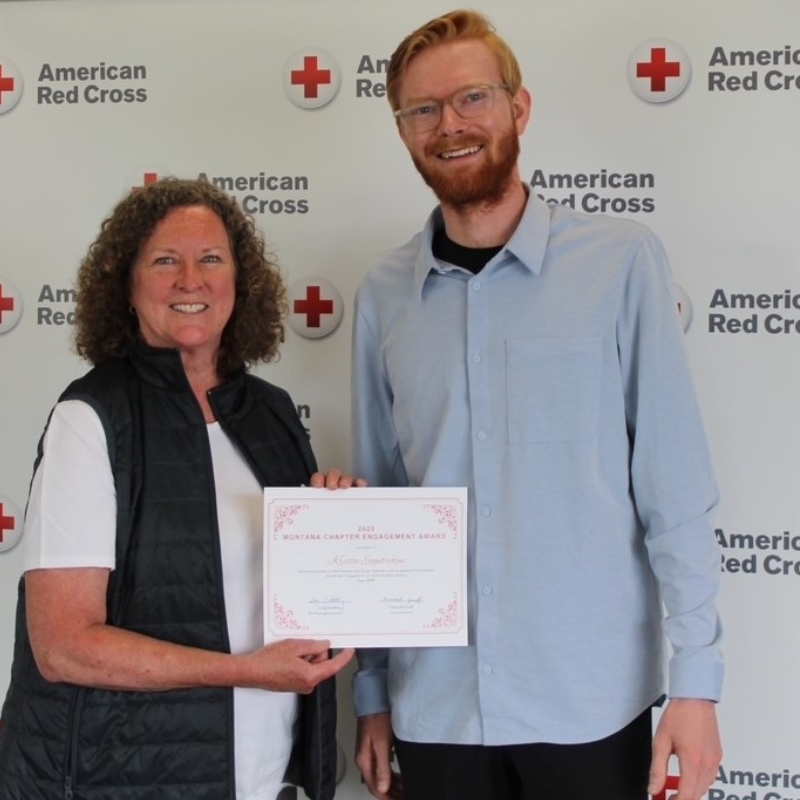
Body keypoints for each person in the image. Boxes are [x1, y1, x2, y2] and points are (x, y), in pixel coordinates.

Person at [351, 10, 723, 800]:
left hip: (589, 704)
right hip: (436, 709)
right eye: (423, 109)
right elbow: (381, 504)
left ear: (518, 109)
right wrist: (372, 693)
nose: (450, 124)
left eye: (472, 98)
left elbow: (675, 488)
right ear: (404, 131)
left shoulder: (620, 264)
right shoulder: (384, 296)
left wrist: (696, 685)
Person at [0, 178, 359, 800]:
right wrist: (245, 672)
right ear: (128, 287)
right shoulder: (92, 417)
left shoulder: (270, 412)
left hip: (258, 771)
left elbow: (291, 590)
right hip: (121, 778)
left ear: (240, 283)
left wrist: (337, 520)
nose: (190, 280)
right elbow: (64, 647)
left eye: (211, 259)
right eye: (165, 260)